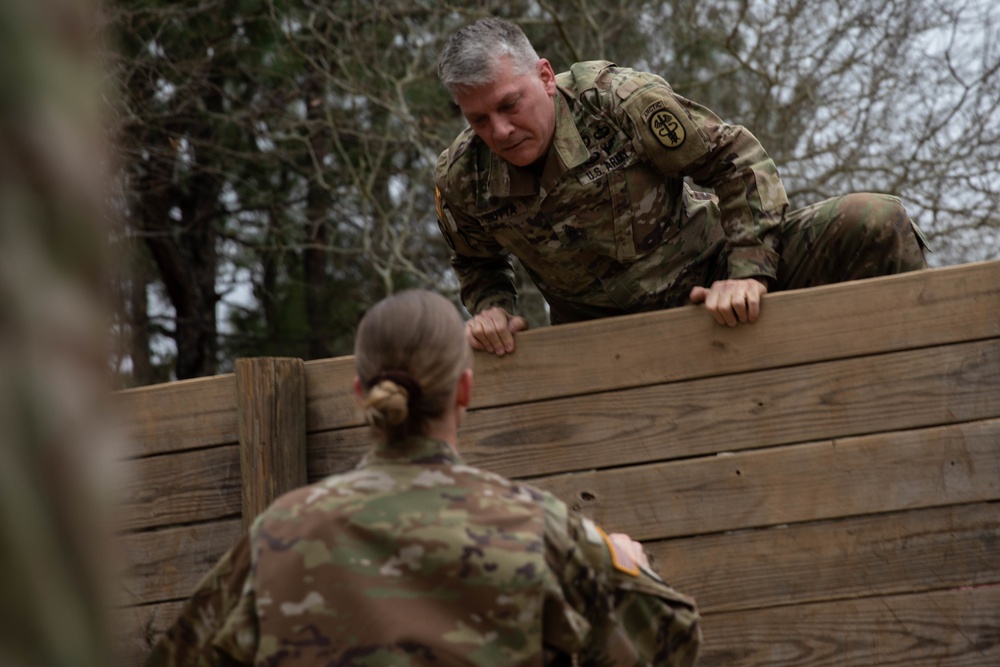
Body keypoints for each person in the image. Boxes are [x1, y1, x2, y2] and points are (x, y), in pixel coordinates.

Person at [146, 289, 702, 666]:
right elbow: (673, 641)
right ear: (465, 389)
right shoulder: (542, 528)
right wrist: (631, 565)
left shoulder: (278, 536)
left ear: (361, 396)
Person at [434, 17, 928, 357]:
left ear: (543, 76)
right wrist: (492, 310)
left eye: (509, 105)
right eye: (479, 119)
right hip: (603, 341)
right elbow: (475, 260)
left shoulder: (616, 103)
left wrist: (748, 272)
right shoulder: (462, 178)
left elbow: (736, 159)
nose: (499, 131)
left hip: (711, 277)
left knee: (876, 222)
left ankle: (918, 379)